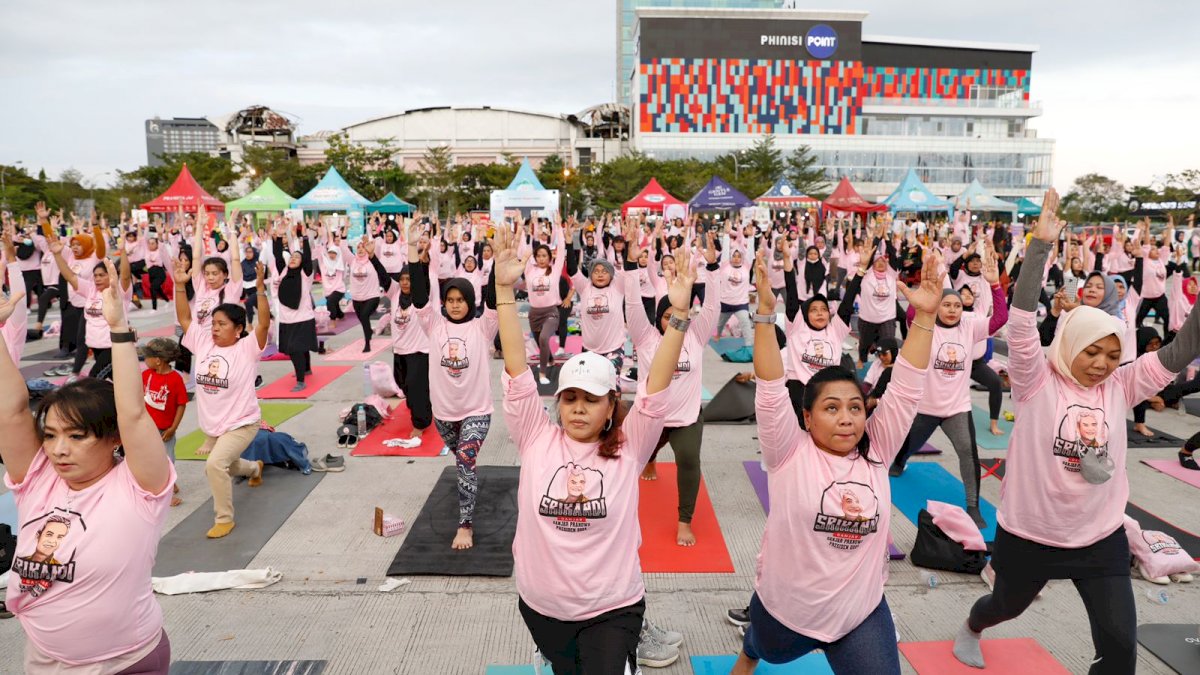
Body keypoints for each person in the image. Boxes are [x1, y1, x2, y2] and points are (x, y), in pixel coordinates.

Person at [952, 189, 1200, 674]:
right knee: (1005, 606)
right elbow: (1022, 322)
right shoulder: (1035, 379)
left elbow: (1177, 352)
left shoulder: (1122, 384)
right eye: (1091, 353)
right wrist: (1040, 246)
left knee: (1119, 645)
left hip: (1099, 536)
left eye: (1111, 355)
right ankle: (972, 626)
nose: (1101, 365)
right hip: (1030, 533)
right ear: (1069, 345)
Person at [729, 246, 943, 675]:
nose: (846, 419)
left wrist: (925, 319)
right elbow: (771, 387)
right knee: (765, 646)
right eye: (831, 408)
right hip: (787, 609)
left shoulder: (877, 449)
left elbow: (905, 387)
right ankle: (750, 647)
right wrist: (764, 316)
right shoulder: (788, 451)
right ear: (806, 417)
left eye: (855, 408)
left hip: (858, 613)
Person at [495, 219, 694, 675]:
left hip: (612, 609)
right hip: (542, 609)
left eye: (591, 399)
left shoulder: (630, 445)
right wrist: (505, 291)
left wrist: (679, 317)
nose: (578, 408)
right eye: (570, 398)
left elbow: (656, 387)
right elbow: (516, 371)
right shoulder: (535, 436)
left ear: (611, 407)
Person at [0, 258, 175, 673]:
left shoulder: (139, 489)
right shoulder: (38, 479)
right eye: (51, 435)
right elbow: (11, 412)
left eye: (77, 437)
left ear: (113, 439)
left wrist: (119, 330)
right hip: (46, 660)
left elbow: (132, 414)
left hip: (126, 662)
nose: (59, 450)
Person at [625, 226, 720, 547]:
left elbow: (712, 308)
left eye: (673, 314)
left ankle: (684, 520)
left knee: (690, 460)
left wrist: (711, 269)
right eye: (664, 315)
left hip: (687, 417)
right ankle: (651, 459)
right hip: (651, 417)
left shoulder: (695, 335)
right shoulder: (645, 338)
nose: (669, 320)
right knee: (636, 458)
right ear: (657, 320)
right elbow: (634, 305)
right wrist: (630, 265)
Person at [408, 220, 499, 551]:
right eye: (451, 299)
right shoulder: (434, 325)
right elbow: (419, 297)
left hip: (477, 411)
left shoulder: (482, 327)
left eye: (462, 299)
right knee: (461, 461)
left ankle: (465, 524)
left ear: (470, 301)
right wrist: (412, 254)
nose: (456, 304)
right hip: (444, 413)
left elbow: (494, 298)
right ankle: (467, 484)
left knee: (465, 458)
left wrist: (496, 261)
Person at [175, 257, 271, 539]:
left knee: (214, 465)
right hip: (214, 424)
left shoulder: (247, 348)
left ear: (238, 329)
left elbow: (263, 324)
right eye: (214, 323)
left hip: (242, 422)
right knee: (227, 463)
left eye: (221, 324)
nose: (214, 328)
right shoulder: (203, 343)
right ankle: (254, 468)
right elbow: (184, 319)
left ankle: (224, 518)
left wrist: (262, 288)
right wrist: (180, 287)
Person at [48, 230, 134, 380]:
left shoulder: (118, 291)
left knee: (93, 379)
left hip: (114, 346)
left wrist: (123, 252)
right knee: (116, 380)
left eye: (102, 275)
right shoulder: (90, 289)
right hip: (96, 345)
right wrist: (57, 255)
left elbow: (125, 276)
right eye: (95, 276)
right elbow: (69, 275)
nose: (98, 279)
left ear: (111, 275)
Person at [141, 337, 188, 507]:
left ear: (158, 361)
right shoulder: (146, 375)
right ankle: (161, 486)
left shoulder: (175, 379)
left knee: (168, 460)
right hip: (147, 430)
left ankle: (166, 493)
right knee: (150, 461)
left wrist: (173, 428)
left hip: (165, 431)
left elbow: (181, 405)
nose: (144, 360)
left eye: (147, 357)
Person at [272, 223, 319, 391]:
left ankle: (300, 380)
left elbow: (307, 257)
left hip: (303, 318)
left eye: (297, 258)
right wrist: (278, 237)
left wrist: (305, 238)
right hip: (286, 318)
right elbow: (278, 256)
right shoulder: (283, 271)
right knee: (297, 348)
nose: (293, 259)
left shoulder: (305, 275)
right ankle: (306, 368)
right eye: (292, 257)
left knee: (296, 349)